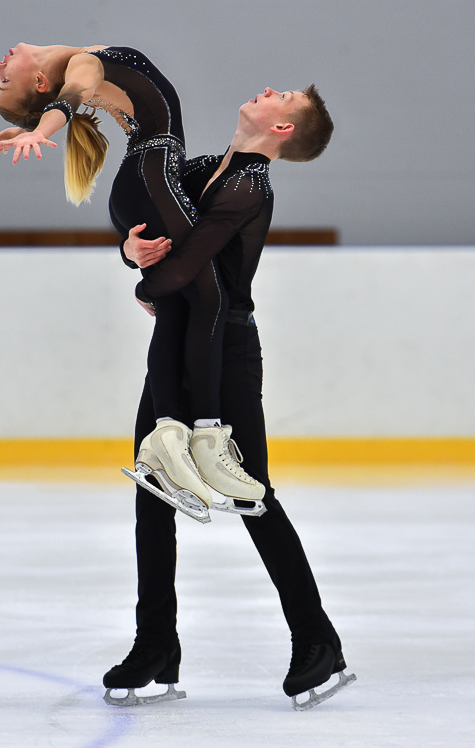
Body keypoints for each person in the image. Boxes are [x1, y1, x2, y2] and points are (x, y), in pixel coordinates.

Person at [102, 85, 356, 708]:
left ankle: (317, 639)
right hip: (175, 343)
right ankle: (155, 643)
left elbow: (188, 266)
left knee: (253, 496)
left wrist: (151, 281)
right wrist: (130, 249)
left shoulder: (250, 186)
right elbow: (155, 235)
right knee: (154, 488)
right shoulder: (199, 168)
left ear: (284, 130)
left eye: (283, 96)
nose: (268, 90)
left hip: (227, 350)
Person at [0, 43, 265, 517]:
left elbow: (69, 103)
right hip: (151, 179)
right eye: (6, 77)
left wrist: (34, 124)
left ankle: (170, 435)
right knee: (209, 300)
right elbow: (71, 96)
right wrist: (43, 128)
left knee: (179, 306)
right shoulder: (79, 67)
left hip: (143, 182)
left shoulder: (81, 66)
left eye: (1, 75)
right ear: (40, 84)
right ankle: (204, 437)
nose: (0, 62)